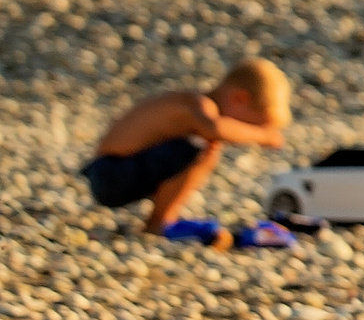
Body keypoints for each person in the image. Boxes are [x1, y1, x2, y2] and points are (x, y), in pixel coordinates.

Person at [82, 57, 291, 241]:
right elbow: (215, 128)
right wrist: (262, 136)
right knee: (199, 148)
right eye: (252, 124)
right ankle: (158, 224)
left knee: (204, 148)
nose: (245, 133)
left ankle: (162, 221)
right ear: (239, 99)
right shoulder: (198, 106)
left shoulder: (194, 106)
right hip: (109, 174)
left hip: (112, 171)